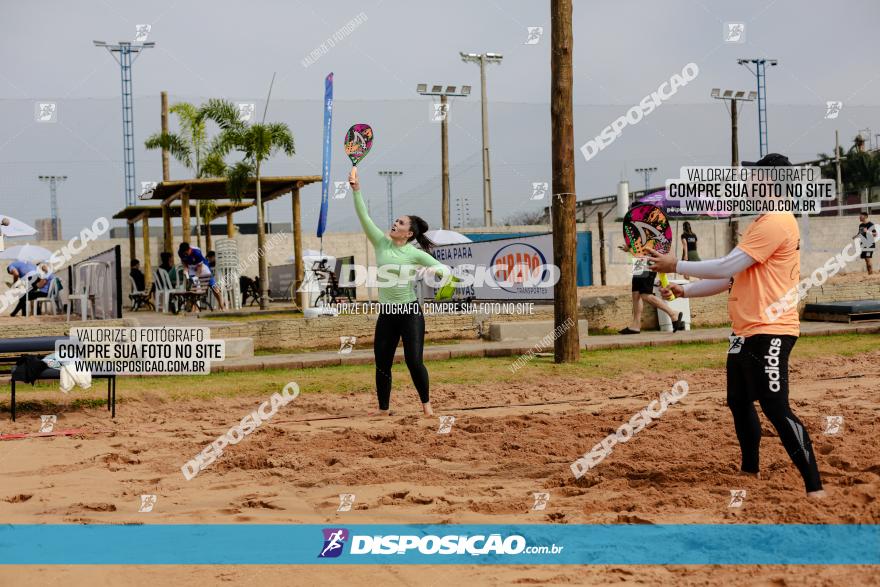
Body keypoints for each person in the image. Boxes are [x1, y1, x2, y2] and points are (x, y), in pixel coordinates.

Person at [646, 152, 825, 498]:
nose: (749, 180)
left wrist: (676, 262)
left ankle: (814, 488)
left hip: (772, 330)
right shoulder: (761, 222)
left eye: (755, 175)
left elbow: (729, 263)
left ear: (771, 181)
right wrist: (684, 288)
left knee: (776, 408)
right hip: (745, 332)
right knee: (739, 403)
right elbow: (733, 274)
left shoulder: (777, 221)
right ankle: (750, 472)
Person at [349, 166, 451, 417]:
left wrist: (439, 277)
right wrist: (357, 190)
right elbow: (364, 217)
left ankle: (427, 407)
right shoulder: (381, 242)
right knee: (382, 364)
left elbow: (443, 269)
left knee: (413, 361)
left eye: (401, 222)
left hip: (409, 313)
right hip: (387, 314)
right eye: (396, 220)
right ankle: (384, 410)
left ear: (410, 233)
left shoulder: (414, 253)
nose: (395, 223)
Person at [618, 244, 684, 334]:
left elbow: (645, 247)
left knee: (645, 294)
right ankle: (635, 326)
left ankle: (673, 314)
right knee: (636, 294)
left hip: (648, 261)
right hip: (639, 262)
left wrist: (629, 249)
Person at [178, 242, 225, 311]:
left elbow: (199, 268)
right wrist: (185, 269)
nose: (185, 255)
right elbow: (184, 261)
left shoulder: (197, 252)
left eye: (186, 253)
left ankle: (222, 307)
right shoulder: (180, 252)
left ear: (189, 250)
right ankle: (193, 310)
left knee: (215, 287)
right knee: (193, 290)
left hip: (202, 267)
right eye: (184, 254)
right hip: (191, 268)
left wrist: (196, 277)